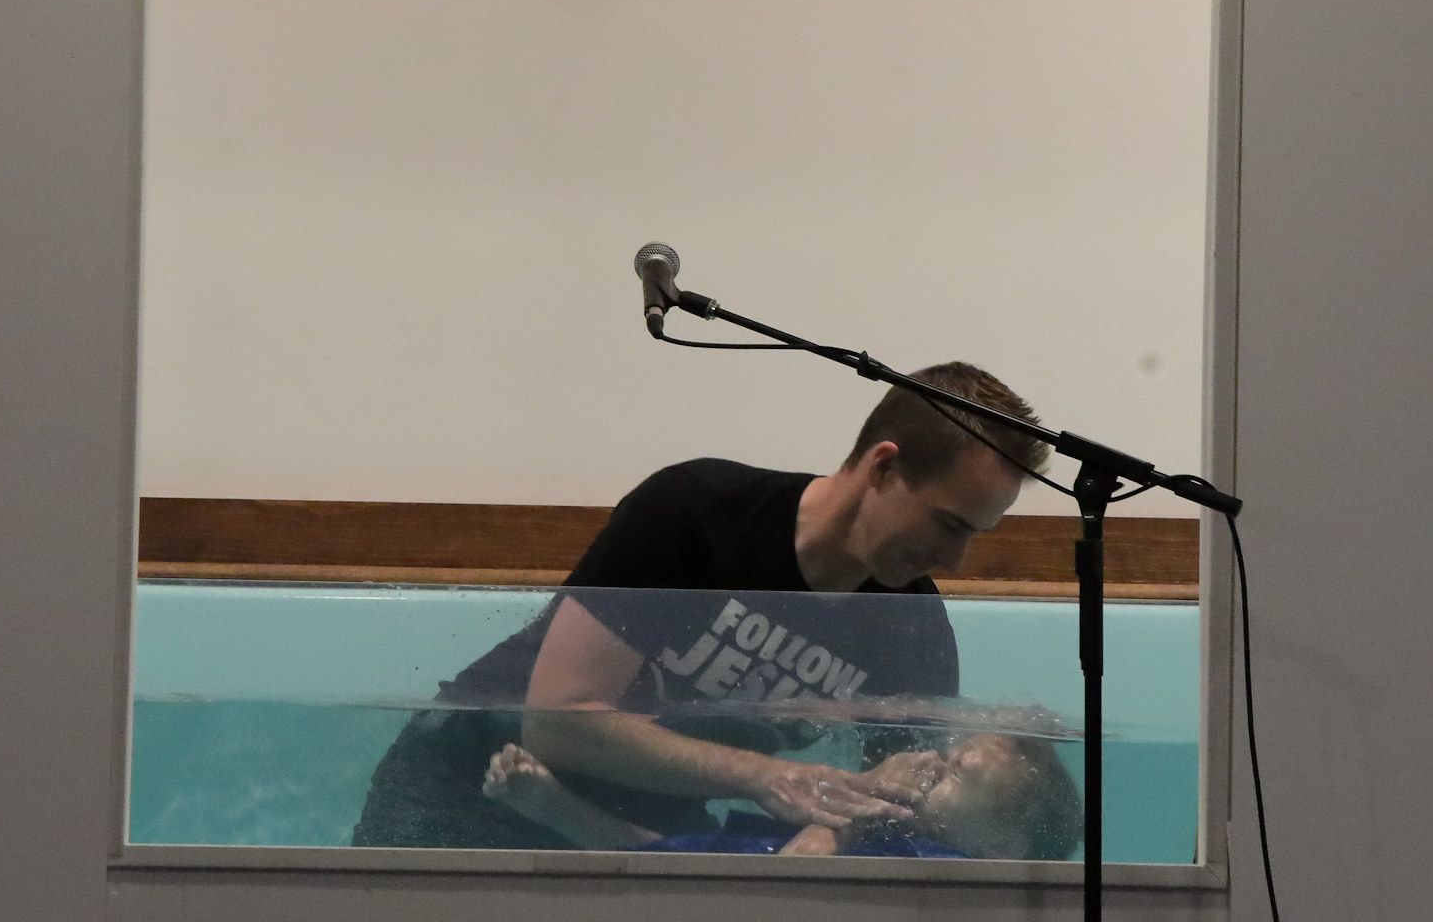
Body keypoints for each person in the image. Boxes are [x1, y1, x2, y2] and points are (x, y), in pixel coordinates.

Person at [352, 362, 1050, 849]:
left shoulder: (910, 627)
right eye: (948, 524)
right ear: (884, 466)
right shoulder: (694, 513)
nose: (954, 560)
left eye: (974, 535)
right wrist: (769, 776)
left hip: (645, 834)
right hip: (463, 786)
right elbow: (558, 723)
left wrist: (823, 830)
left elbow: (895, 803)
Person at [480, 731, 1083, 861]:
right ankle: (560, 812)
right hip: (756, 867)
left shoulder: (946, 869)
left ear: (1007, 843)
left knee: (688, 868)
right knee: (678, 857)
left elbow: (790, 888)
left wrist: (836, 821)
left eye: (956, 776)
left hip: (769, 885)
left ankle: (560, 814)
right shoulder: (901, 832)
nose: (930, 767)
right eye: (946, 756)